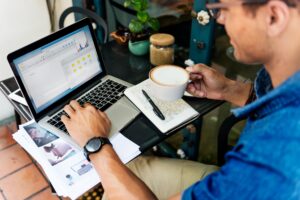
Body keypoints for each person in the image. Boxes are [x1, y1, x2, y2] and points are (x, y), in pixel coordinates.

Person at [61, 0, 300, 199]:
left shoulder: (275, 155)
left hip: (236, 184)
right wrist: (230, 89)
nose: (218, 19)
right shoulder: (287, 78)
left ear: (274, 16)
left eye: (223, 9)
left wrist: (96, 145)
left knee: (114, 177)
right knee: (126, 169)